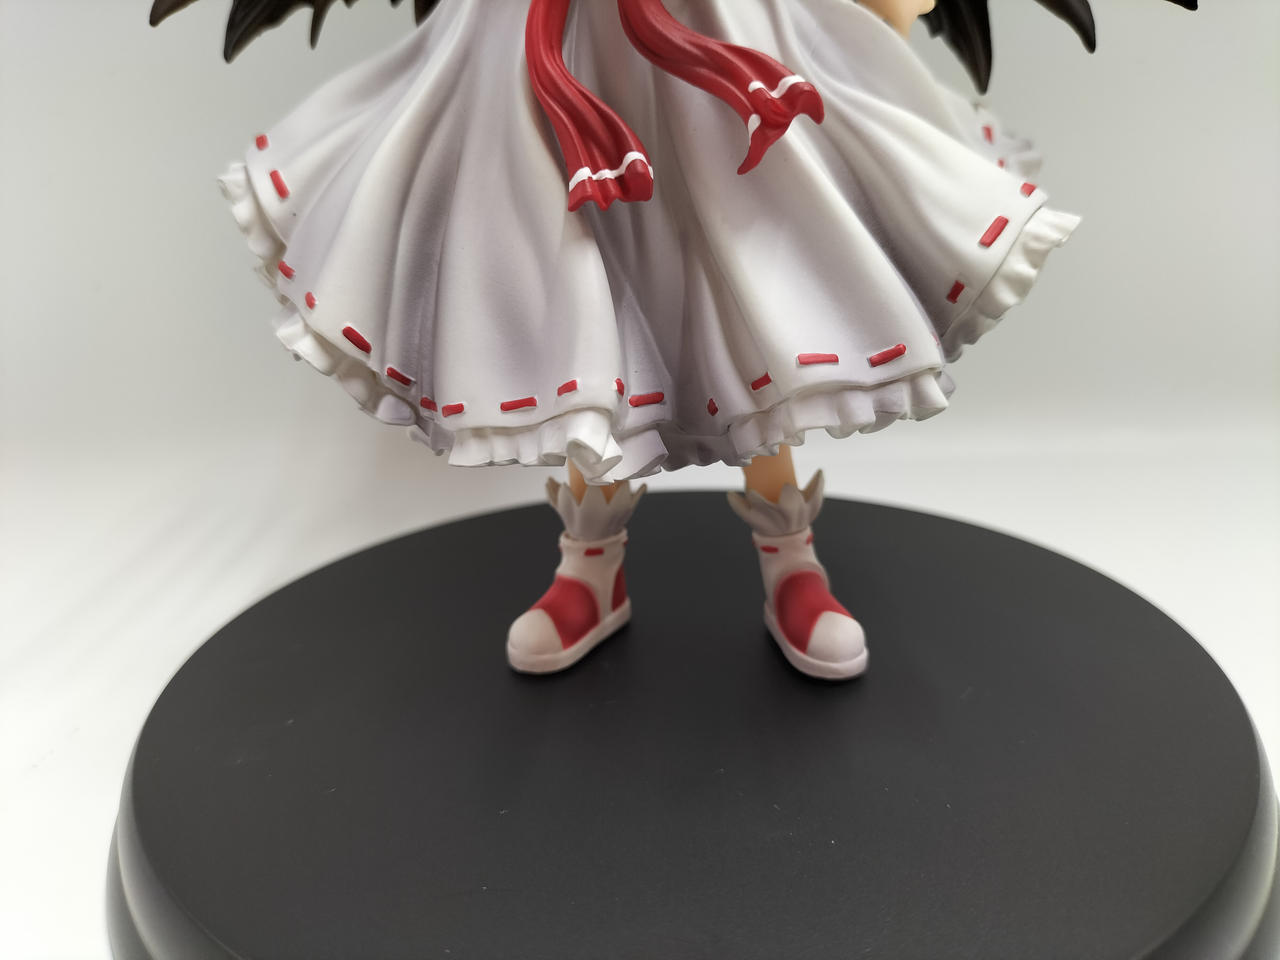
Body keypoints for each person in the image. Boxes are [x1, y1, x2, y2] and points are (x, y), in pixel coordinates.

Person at [149, 0, 1190, 679]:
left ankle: (789, 557)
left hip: (717, 27)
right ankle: (590, 565)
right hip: (541, 40)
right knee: (563, 273)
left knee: (754, 257)